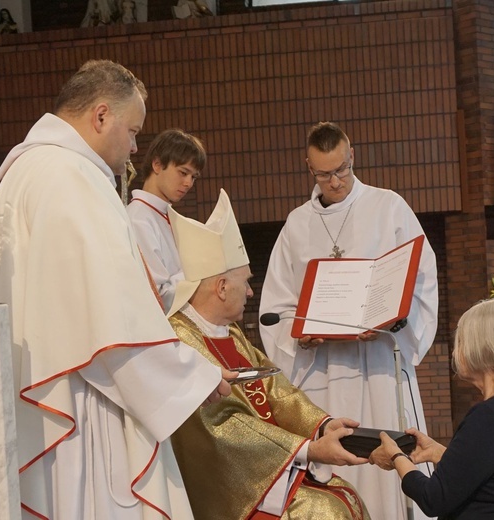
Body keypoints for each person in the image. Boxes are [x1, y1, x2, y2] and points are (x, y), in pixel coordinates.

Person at [0, 59, 233, 519]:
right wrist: (194, 375)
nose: (135, 147)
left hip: (50, 387)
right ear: (101, 116)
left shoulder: (27, 170)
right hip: (85, 394)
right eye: (134, 131)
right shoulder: (72, 177)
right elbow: (115, 311)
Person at [259, 121, 439, 519]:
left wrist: (391, 321)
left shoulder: (388, 207)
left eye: (342, 170)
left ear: (352, 156)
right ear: (309, 167)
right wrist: (299, 337)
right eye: (325, 174)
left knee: (388, 465)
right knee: (335, 468)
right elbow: (277, 306)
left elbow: (420, 278)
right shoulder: (296, 225)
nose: (336, 182)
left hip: (378, 364)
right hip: (324, 374)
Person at [166, 191, 371, 519]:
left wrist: (323, 426)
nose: (250, 292)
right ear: (221, 287)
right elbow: (220, 428)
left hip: (271, 468)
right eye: (246, 282)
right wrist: (309, 450)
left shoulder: (228, 332)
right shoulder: (180, 341)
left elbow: (277, 391)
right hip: (233, 486)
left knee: (345, 496)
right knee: (325, 512)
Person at [370, 295, 494, 519]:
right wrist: (443, 455)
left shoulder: (489, 415)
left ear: (484, 347)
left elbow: (433, 499)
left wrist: (396, 456)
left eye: (461, 341)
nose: (455, 352)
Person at [127, 128, 206, 312]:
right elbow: (157, 295)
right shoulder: (138, 219)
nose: (188, 183)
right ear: (157, 164)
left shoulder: (166, 216)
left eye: (193, 177)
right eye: (183, 172)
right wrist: (203, 269)